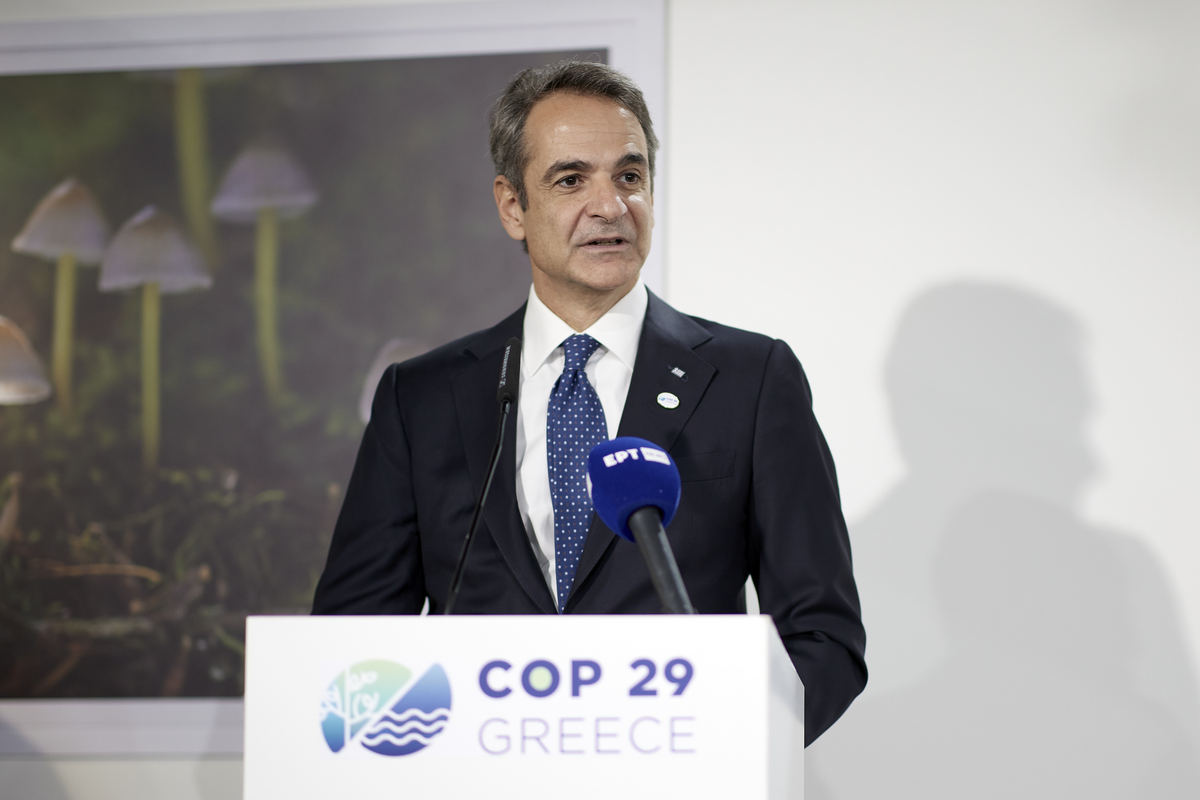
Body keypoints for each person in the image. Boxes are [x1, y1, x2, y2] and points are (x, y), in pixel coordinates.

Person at [312, 60, 865, 744]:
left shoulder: (750, 380)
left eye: (629, 177)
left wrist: (722, 753)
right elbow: (350, 639)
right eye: (571, 180)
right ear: (513, 206)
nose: (610, 206)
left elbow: (823, 635)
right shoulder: (420, 399)